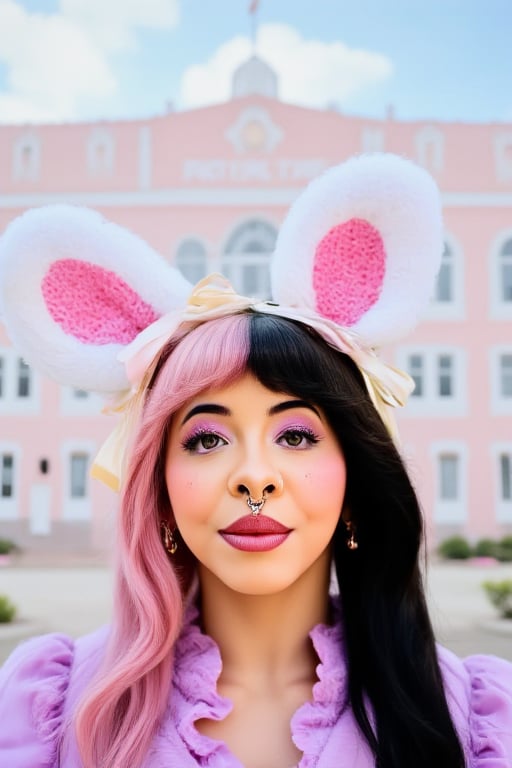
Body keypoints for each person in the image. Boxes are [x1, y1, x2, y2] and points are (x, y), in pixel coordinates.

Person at [0, 153, 511, 768]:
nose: (255, 476)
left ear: (355, 479)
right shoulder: (59, 709)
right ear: (158, 484)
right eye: (206, 439)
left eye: (295, 436)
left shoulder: (470, 714)